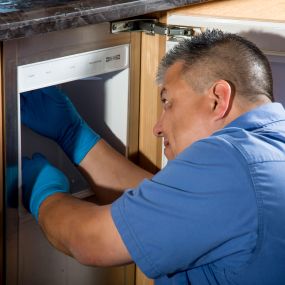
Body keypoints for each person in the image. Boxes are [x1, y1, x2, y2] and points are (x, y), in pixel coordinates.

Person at [21, 29, 285, 285]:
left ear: (218, 99)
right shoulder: (266, 150)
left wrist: (40, 192)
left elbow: (90, 241)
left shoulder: (229, 162)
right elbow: (171, 210)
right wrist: (74, 136)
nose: (157, 128)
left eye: (168, 103)